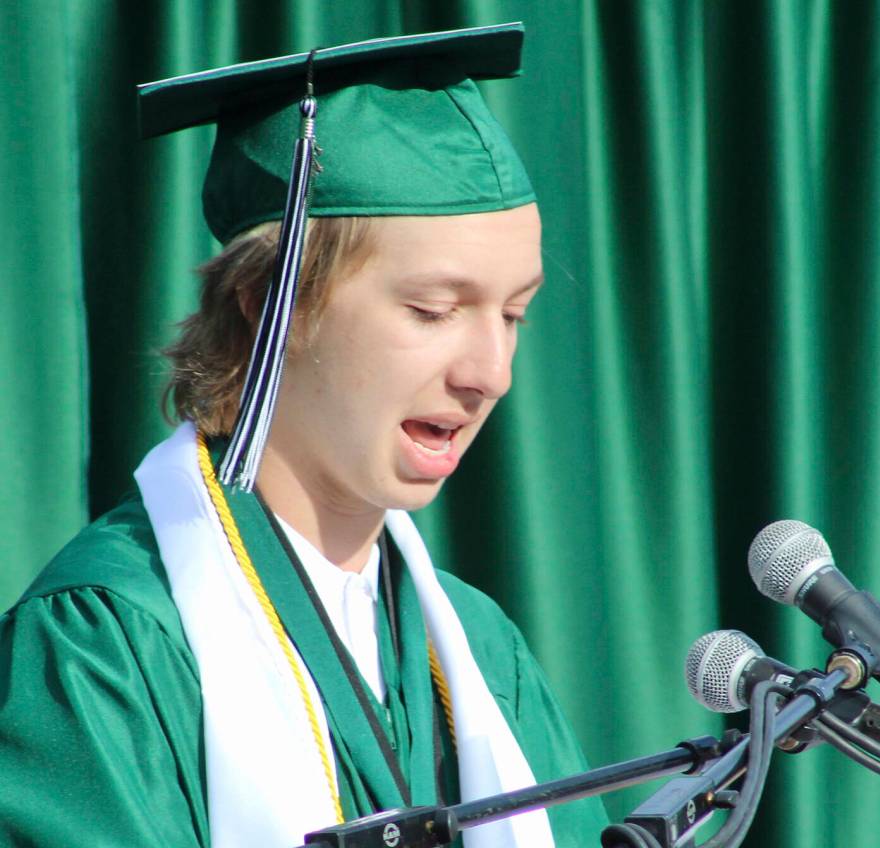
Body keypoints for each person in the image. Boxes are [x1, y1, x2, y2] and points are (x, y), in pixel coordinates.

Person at [0, 24, 609, 848]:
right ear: (268, 303)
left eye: (514, 315)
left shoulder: (471, 647)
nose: (489, 372)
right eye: (432, 311)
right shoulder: (112, 642)